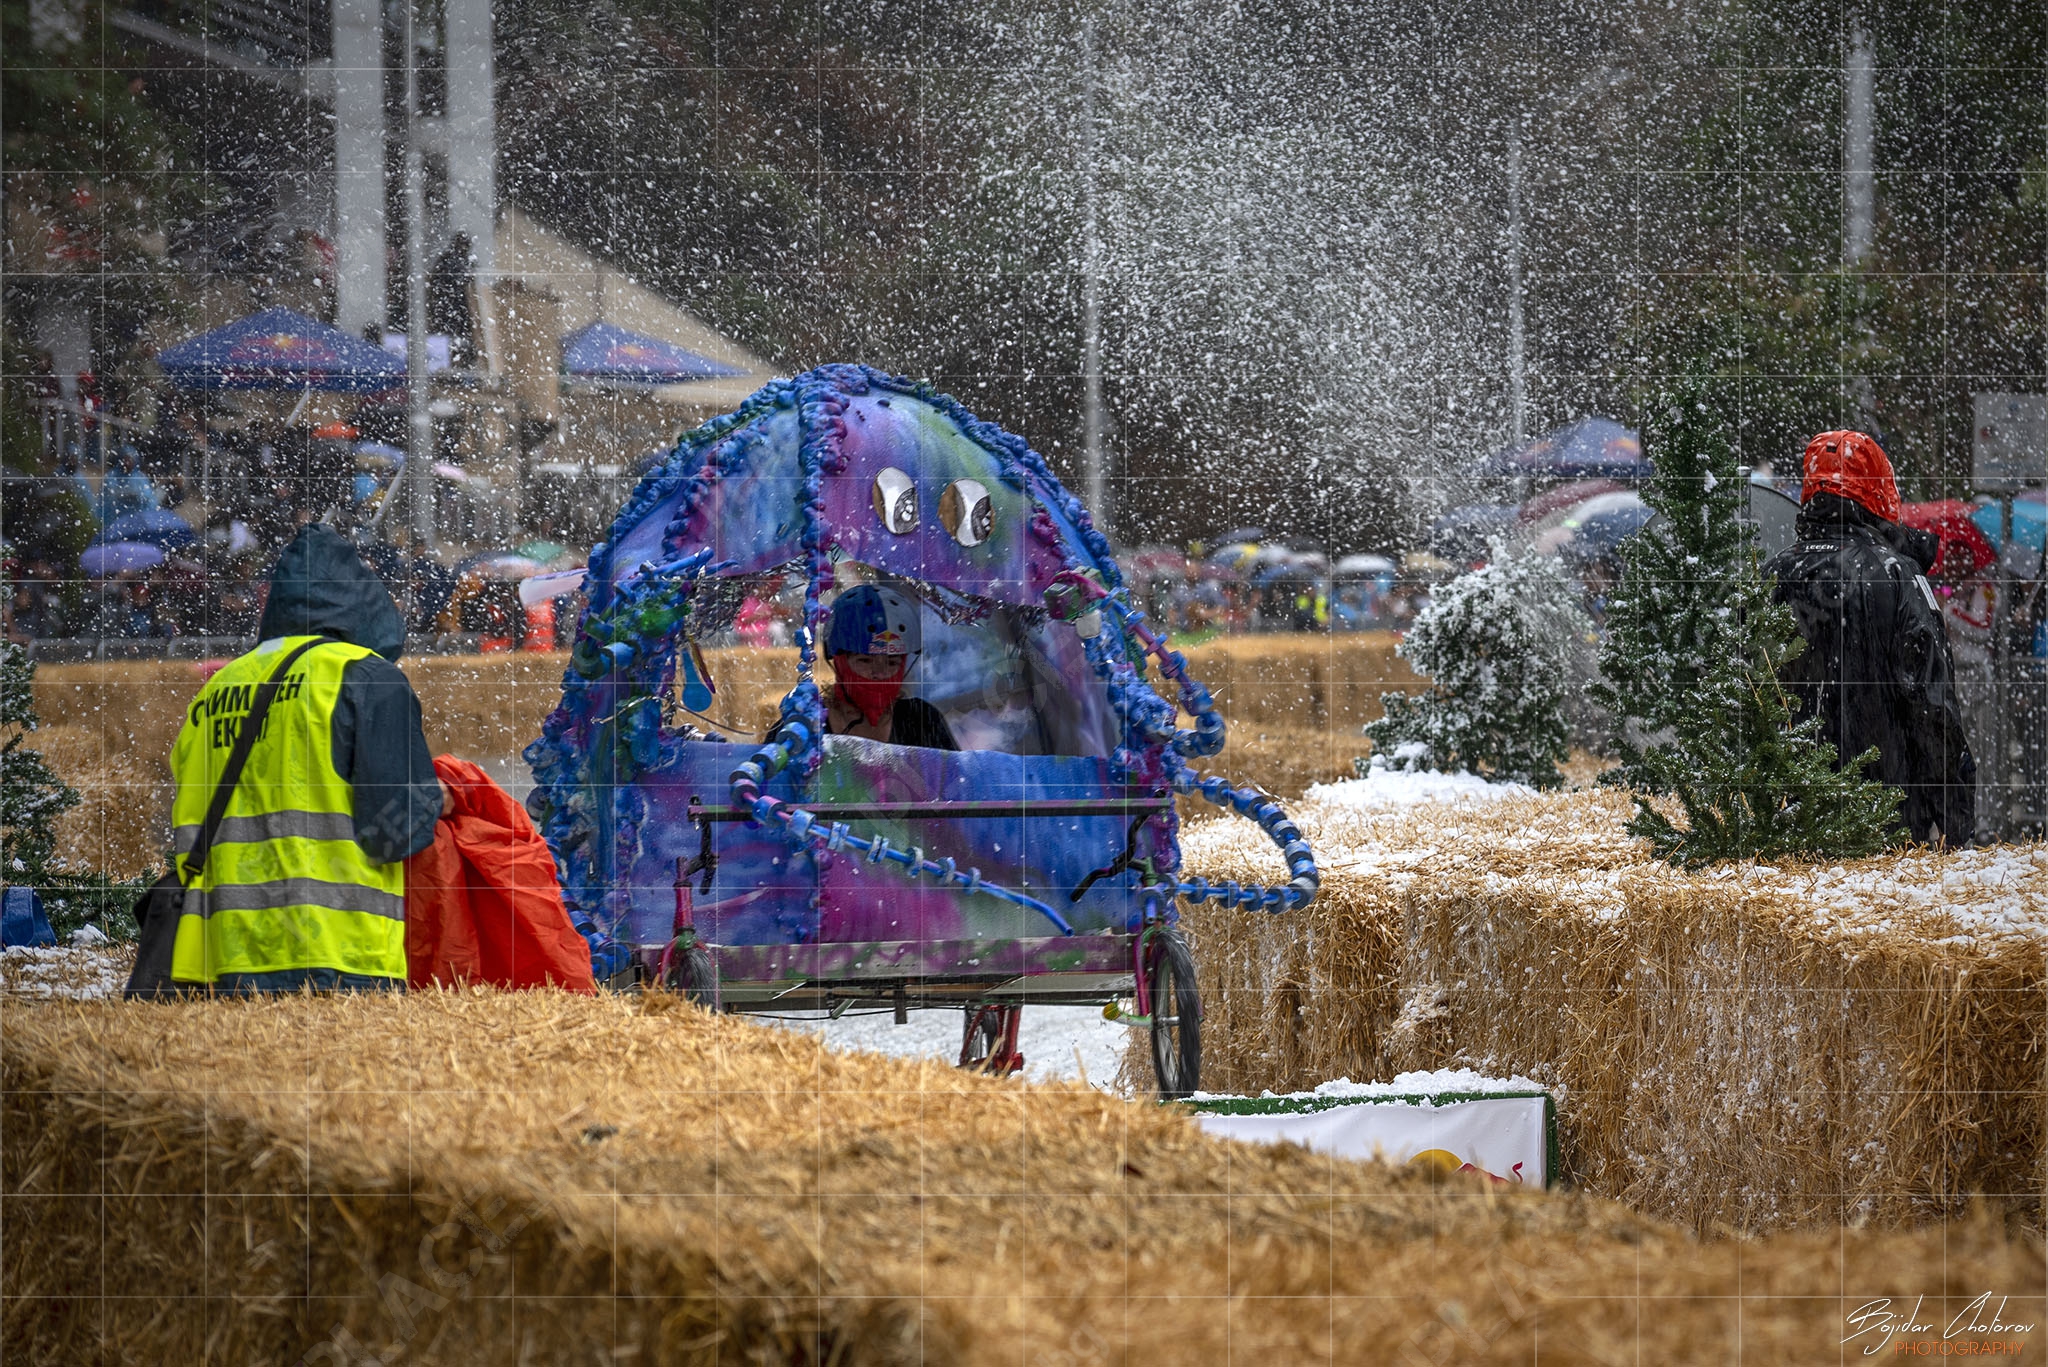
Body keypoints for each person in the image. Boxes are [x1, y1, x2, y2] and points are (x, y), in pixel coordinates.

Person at [166, 524, 446, 992]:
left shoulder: (217, 689)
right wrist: (440, 799)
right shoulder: (368, 678)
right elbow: (395, 833)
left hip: (222, 956)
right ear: (363, 603)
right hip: (338, 953)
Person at [1763, 430, 1976, 847]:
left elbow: (1741, 701)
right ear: (1879, 492)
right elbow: (1932, 709)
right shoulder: (1898, 576)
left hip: (1787, 835)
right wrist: (1956, 822)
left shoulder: (1771, 575)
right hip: (1885, 831)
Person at [821, 583, 957, 749]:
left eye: (892, 662)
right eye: (865, 660)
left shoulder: (921, 720)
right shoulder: (808, 725)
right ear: (839, 661)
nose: (879, 673)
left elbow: (953, 773)